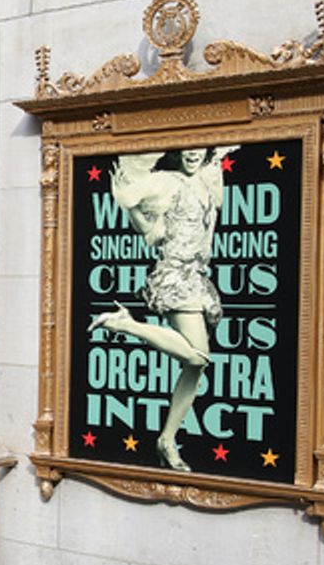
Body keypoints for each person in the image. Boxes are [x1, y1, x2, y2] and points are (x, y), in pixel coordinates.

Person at [87, 146, 237, 472]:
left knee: (195, 367)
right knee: (198, 356)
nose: (193, 154)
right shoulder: (169, 182)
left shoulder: (209, 182)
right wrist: (126, 199)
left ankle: (167, 439)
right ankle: (127, 325)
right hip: (174, 277)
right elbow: (141, 219)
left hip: (196, 278)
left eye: (200, 148)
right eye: (187, 149)